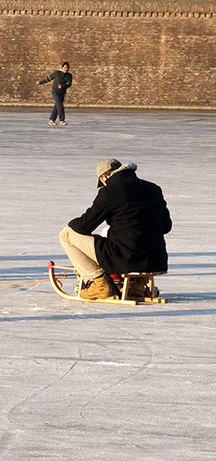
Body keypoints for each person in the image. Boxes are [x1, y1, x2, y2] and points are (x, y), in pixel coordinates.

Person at [59, 158, 171, 301]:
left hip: (126, 258)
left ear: (104, 177)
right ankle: (137, 286)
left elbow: (84, 226)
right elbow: (166, 227)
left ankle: (100, 284)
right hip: (156, 259)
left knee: (66, 235)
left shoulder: (110, 191)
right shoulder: (153, 189)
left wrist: (72, 222)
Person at [39, 61, 72, 126]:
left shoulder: (69, 75)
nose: (66, 69)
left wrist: (62, 86)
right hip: (55, 92)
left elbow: (69, 84)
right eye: (65, 67)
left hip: (62, 93)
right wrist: (40, 82)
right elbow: (48, 78)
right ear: (62, 67)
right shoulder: (57, 73)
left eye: (67, 68)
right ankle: (62, 120)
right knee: (59, 104)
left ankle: (51, 120)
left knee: (57, 105)